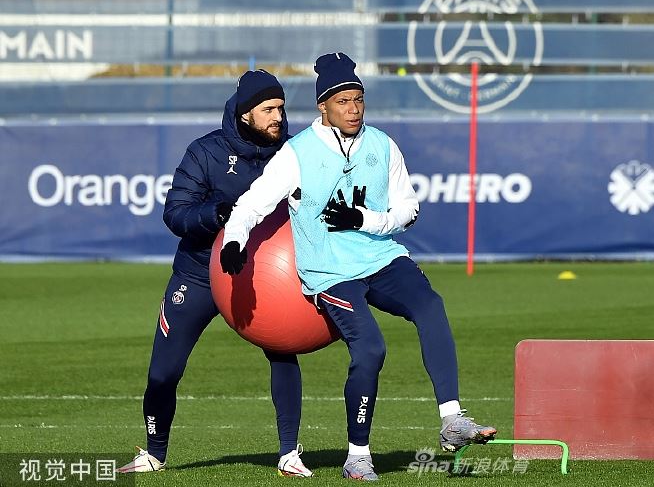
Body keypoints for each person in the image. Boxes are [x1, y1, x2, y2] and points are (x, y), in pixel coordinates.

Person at [220, 52, 496, 481]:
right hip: (331, 273)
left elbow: (409, 209)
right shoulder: (296, 153)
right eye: (343, 101)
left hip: (382, 258)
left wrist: (366, 220)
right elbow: (251, 204)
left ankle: (452, 419)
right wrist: (234, 242)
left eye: (359, 100)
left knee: (431, 305)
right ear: (323, 106)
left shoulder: (383, 145)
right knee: (370, 349)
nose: (354, 109)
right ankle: (358, 456)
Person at [119, 70, 313, 477]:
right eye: (268, 109)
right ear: (245, 114)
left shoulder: (296, 152)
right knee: (163, 372)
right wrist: (215, 215)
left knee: (283, 351)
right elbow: (175, 213)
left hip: (267, 276)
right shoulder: (205, 152)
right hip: (199, 274)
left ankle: (289, 454)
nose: (278, 116)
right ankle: (154, 453)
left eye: (281, 108)